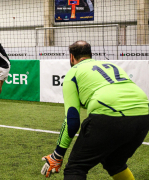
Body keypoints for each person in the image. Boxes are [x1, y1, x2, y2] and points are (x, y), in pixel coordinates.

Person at [41, 40, 149, 180]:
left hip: (109, 116)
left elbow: (72, 121)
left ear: (71, 57)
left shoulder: (73, 72)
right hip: (144, 116)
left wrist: (57, 155)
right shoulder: (110, 65)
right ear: (90, 55)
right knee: (114, 162)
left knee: (76, 168)